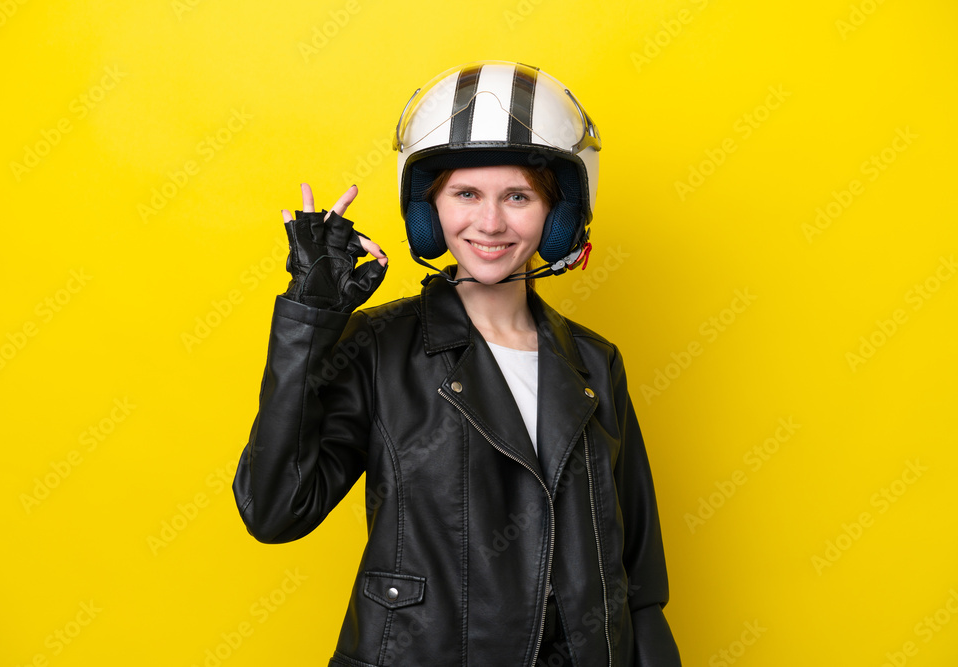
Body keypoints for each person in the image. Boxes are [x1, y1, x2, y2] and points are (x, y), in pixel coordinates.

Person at [232, 60, 682, 666]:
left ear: (559, 216)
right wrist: (308, 321)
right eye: (466, 194)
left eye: (517, 196)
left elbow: (639, 579)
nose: (490, 223)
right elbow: (275, 509)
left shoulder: (597, 363)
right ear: (431, 211)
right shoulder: (379, 344)